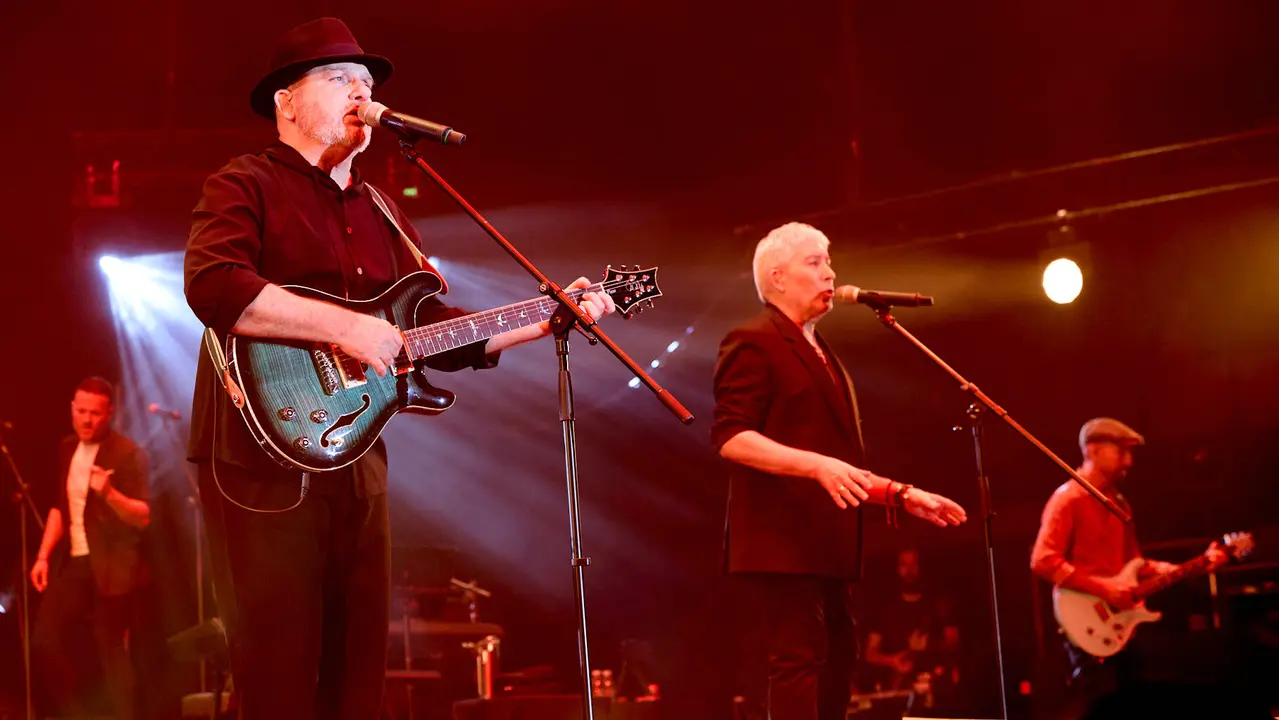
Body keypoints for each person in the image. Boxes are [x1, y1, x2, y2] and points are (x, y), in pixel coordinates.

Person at [182, 17, 614, 719]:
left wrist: (547, 319)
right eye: (339, 79)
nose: (362, 93)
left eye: (367, 82)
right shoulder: (245, 183)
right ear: (285, 102)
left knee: (356, 671)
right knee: (278, 670)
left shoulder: (380, 207)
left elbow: (427, 329)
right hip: (259, 455)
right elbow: (213, 284)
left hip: (357, 451)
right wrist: (344, 326)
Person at [711, 222, 968, 720]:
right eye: (815, 262)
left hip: (826, 544)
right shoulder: (753, 340)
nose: (830, 273)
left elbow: (837, 464)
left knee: (840, 660)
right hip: (782, 543)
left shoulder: (822, 351)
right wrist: (817, 466)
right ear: (778, 277)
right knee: (799, 662)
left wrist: (900, 494)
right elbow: (731, 438)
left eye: (829, 262)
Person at [1029, 417, 1226, 717]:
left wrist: (1196, 565)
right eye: (1121, 451)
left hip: (1120, 631)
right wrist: (1104, 589)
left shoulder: (1119, 502)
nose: (1129, 461)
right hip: (1086, 629)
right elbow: (1042, 560)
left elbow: (1135, 564)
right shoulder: (1068, 499)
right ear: (1093, 450)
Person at [29, 376, 150, 719]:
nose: (87, 420)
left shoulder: (127, 453)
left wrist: (109, 494)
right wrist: (43, 557)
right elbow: (59, 507)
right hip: (78, 561)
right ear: (72, 408)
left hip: (113, 566)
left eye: (95, 413)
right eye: (81, 411)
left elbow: (143, 516)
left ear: (109, 413)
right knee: (45, 640)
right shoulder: (68, 448)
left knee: (110, 651)